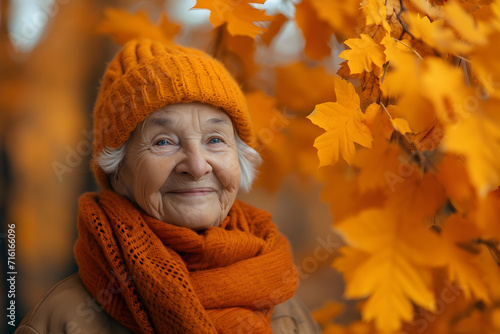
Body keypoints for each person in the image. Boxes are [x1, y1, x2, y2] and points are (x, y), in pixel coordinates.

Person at [15, 39, 320, 334]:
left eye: (215, 140)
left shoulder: (286, 308)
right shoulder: (61, 320)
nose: (197, 166)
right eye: (164, 142)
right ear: (118, 173)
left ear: (239, 161)